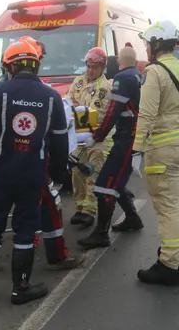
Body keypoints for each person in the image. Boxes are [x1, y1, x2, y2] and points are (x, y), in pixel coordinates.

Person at [0, 38, 85, 278]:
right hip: (34, 171)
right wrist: (60, 172)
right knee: (26, 229)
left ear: (10, 66)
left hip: (0, 170)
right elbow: (60, 140)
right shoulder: (51, 96)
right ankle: (21, 286)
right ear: (36, 63)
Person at [134, 20, 179, 286]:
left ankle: (168, 265)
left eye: (147, 44)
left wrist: (136, 148)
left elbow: (147, 113)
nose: (146, 49)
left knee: (168, 209)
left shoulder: (154, 72)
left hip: (164, 149)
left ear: (155, 45)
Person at [77, 44, 145, 249]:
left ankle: (101, 234)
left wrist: (97, 137)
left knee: (105, 184)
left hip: (126, 140)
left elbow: (113, 112)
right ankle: (133, 218)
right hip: (131, 138)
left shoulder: (123, 78)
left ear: (118, 62)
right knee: (117, 180)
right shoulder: (137, 75)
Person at [66, 47, 112, 227]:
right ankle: (80, 208)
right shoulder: (78, 81)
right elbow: (68, 101)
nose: (90, 70)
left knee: (92, 173)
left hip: (98, 137)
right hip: (78, 136)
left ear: (102, 67)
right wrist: (75, 107)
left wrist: (77, 108)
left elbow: (95, 114)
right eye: (88, 66)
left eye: (94, 67)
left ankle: (89, 211)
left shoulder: (104, 87)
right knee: (77, 172)